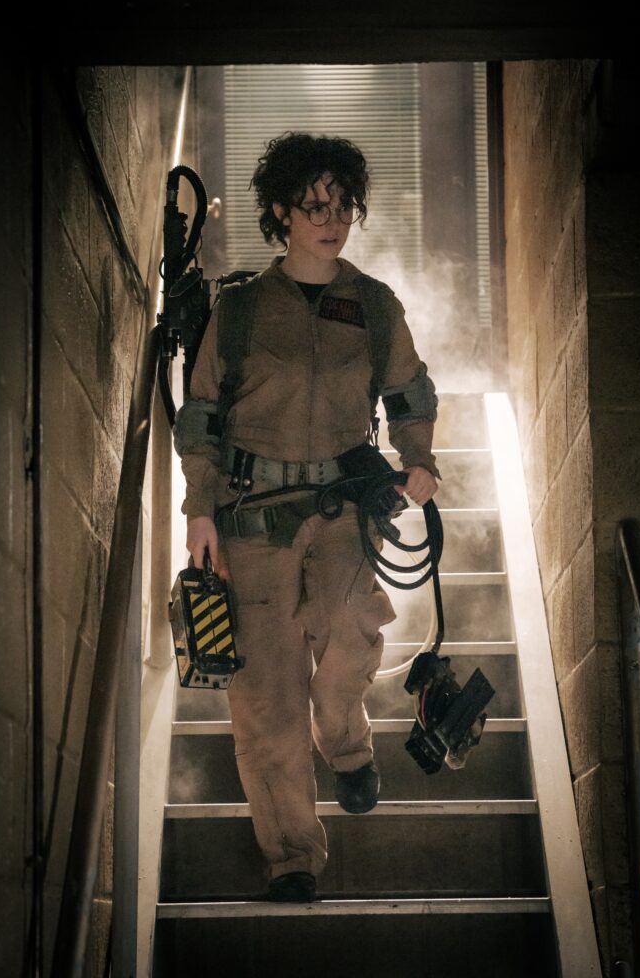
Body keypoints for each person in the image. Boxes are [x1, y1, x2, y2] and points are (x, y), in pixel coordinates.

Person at [176, 132, 440, 902]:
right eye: (313, 206)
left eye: (342, 206)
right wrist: (198, 509)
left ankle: (346, 743)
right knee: (267, 700)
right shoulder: (240, 310)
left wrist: (419, 459)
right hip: (251, 520)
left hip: (344, 512)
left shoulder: (375, 305)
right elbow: (201, 415)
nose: (331, 221)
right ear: (281, 213)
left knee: (351, 643)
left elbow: (409, 394)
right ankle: (291, 855)